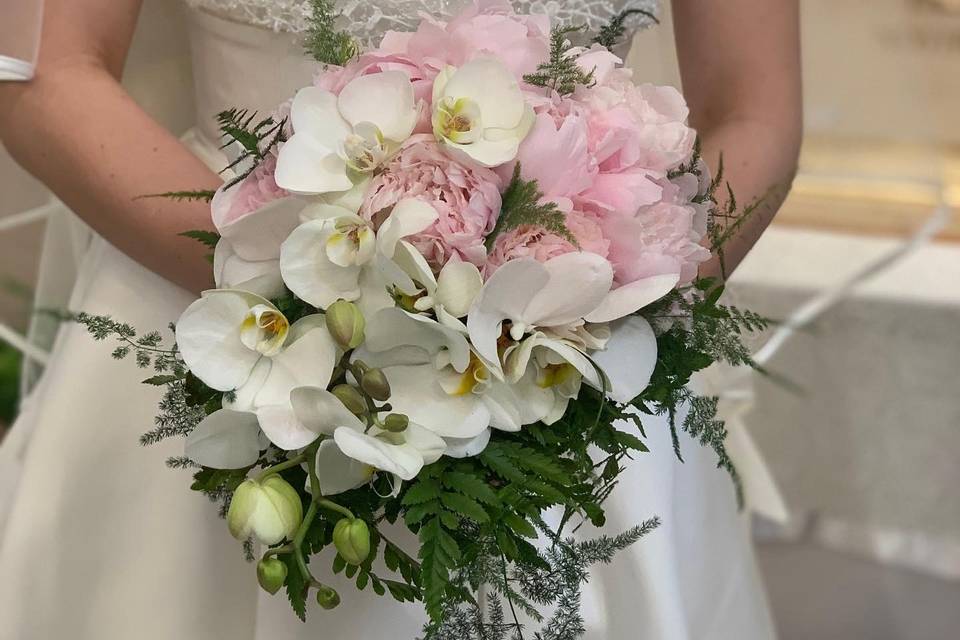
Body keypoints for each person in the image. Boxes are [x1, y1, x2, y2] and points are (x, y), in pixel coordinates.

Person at [0, 1, 801, 638]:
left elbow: (754, 111)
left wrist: (597, 303)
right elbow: (44, 73)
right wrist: (312, 287)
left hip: (569, 342)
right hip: (223, 312)